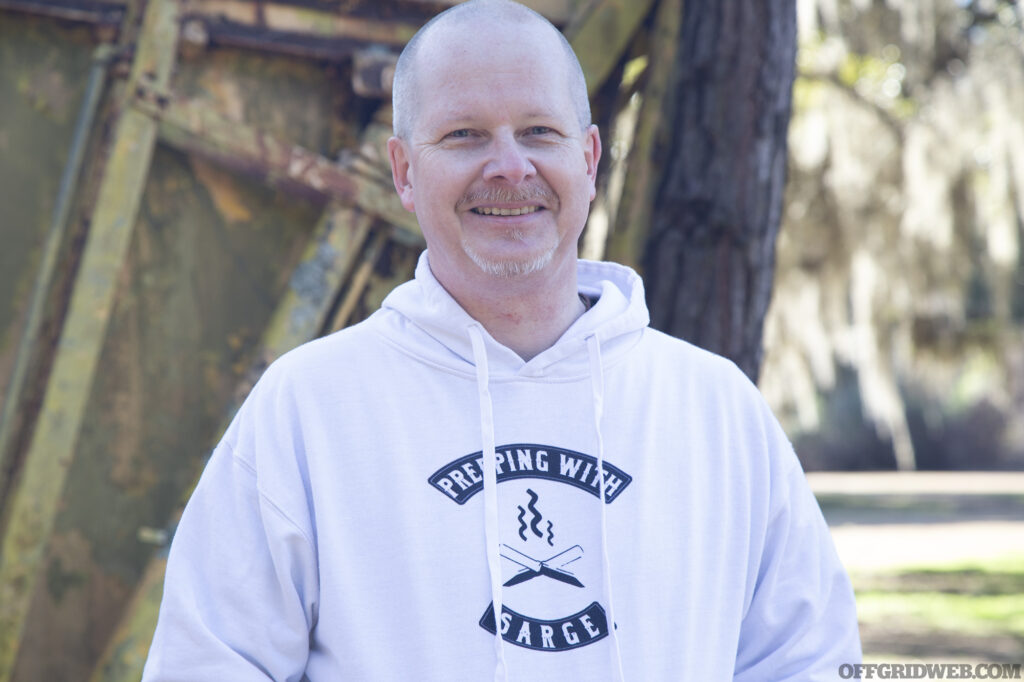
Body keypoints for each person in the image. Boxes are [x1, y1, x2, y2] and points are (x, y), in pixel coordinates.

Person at [142, 0, 861, 680]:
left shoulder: (716, 412)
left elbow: (808, 659)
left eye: (539, 133)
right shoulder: (308, 410)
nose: (510, 166)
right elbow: (208, 663)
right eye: (464, 136)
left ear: (587, 158)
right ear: (403, 173)